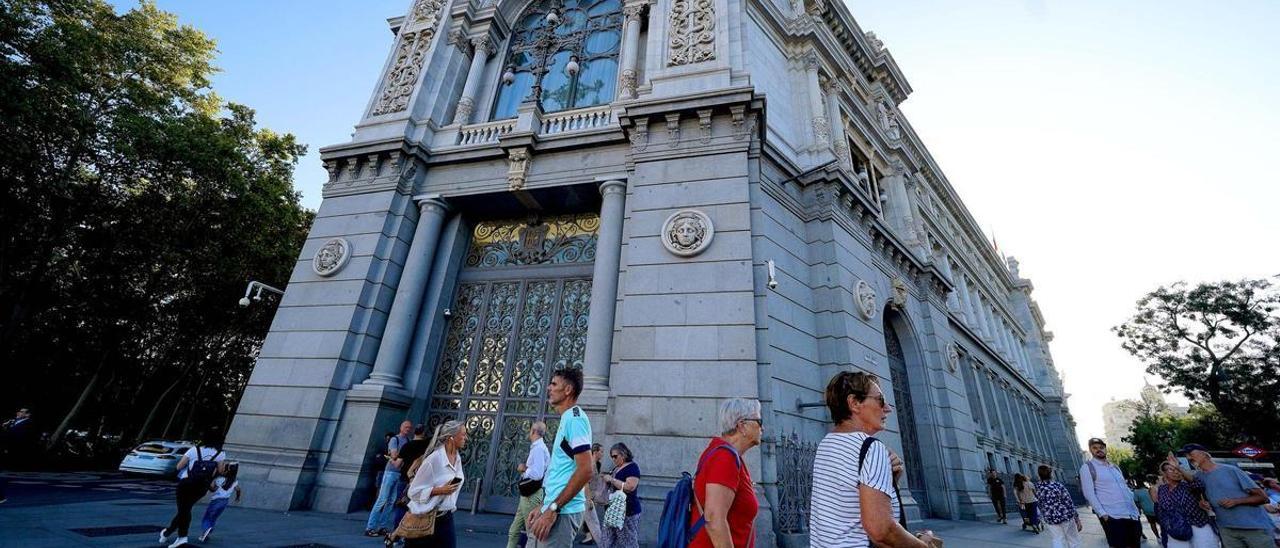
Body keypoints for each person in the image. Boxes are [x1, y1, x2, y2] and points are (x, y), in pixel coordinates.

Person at [809, 371, 941, 548]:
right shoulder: (871, 447)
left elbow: (846, 511)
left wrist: (889, 480)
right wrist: (922, 546)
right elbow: (881, 530)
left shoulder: (827, 444)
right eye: (880, 399)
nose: (888, 408)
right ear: (854, 403)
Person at [526, 368, 594, 548]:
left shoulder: (575, 419)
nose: (549, 387)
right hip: (551, 508)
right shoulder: (567, 419)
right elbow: (561, 472)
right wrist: (542, 505)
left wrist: (553, 510)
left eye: (554, 384)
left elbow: (586, 470)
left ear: (568, 390)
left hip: (562, 513)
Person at [690, 398, 764, 548]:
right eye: (759, 421)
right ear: (742, 426)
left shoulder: (728, 455)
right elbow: (714, 519)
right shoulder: (724, 457)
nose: (763, 428)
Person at [1172, 445, 1273, 548]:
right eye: (1186, 455)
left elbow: (1263, 497)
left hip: (1253, 527)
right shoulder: (1199, 476)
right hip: (1226, 529)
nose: (1188, 458)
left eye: (1191, 454)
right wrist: (1204, 503)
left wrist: (1236, 501)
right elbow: (1194, 483)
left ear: (1204, 454)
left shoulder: (1231, 470)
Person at [403, 420, 468, 548]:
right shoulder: (434, 459)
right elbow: (413, 492)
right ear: (451, 438)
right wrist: (440, 490)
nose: (466, 438)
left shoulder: (457, 458)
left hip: (446, 517)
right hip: (424, 519)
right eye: (463, 434)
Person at [160, 434, 227, 547]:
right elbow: (220, 471)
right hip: (202, 487)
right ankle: (167, 532)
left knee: (184, 510)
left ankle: (182, 537)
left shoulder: (193, 450)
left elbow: (179, 467)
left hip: (186, 483)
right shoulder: (220, 453)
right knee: (185, 510)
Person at [1080, 437, 1142, 548]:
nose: (1099, 450)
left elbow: (1124, 487)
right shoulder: (1087, 468)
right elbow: (1089, 493)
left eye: (1101, 447)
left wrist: (1135, 506)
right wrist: (1103, 514)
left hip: (1131, 515)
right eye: (1095, 448)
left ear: (1105, 449)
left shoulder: (1115, 467)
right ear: (1091, 450)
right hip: (1113, 517)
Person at [1154, 458, 1217, 548]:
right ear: (1164, 473)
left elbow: (1198, 484)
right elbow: (1161, 509)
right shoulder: (1162, 489)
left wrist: (1179, 467)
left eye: (1178, 469)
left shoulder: (1188, 485)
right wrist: (1167, 525)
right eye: (1172, 469)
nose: (1176, 472)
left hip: (1198, 524)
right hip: (1176, 528)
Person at [508, 421, 550, 548]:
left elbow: (537, 474)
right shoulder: (539, 448)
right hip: (528, 494)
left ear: (533, 431)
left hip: (532, 494)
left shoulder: (538, 449)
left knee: (531, 532)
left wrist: (524, 468)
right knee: (514, 530)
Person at [367, 420, 413, 537]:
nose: (408, 429)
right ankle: (370, 527)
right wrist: (400, 457)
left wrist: (400, 457)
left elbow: (400, 457)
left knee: (391, 501)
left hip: (400, 474)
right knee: (382, 499)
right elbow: (394, 455)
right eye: (406, 427)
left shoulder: (408, 441)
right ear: (401, 427)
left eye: (409, 428)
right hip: (390, 472)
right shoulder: (395, 439)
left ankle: (382, 526)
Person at [599, 442, 642, 548]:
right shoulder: (616, 468)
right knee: (607, 541)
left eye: (615, 456)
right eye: (611, 457)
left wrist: (612, 480)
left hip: (627, 512)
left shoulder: (632, 467)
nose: (613, 459)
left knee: (628, 542)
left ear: (623, 454)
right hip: (612, 512)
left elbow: (630, 487)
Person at [390, 424, 430, 537]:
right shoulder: (427, 446)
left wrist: (391, 460)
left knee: (401, 506)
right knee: (418, 508)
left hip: (404, 479)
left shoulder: (406, 446)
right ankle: (413, 533)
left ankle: (397, 534)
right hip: (421, 481)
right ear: (424, 433)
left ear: (414, 432)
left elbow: (397, 464)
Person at [1035, 465, 1083, 548]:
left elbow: (1039, 504)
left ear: (1039, 475)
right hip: (1065, 516)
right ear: (1051, 474)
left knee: (1057, 540)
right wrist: (1077, 518)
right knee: (1073, 540)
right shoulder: (1058, 486)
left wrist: (1043, 516)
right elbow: (1069, 502)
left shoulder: (1038, 488)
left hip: (1050, 519)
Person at [198, 461, 242, 542]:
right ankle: (207, 532)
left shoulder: (219, 479)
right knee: (214, 517)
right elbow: (238, 490)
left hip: (216, 500)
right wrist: (237, 498)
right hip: (224, 502)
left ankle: (206, 529)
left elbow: (212, 489)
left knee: (207, 516)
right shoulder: (234, 481)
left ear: (226, 470)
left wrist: (208, 483)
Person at [0, 407, 36, 503]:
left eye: (21, 412)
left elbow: (20, 437)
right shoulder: (13, 422)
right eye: (19, 411)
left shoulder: (28, 423)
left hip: (15, 449)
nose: (18, 413)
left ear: (27, 415)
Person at [580, 443, 607, 545]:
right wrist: (589, 498)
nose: (602, 454)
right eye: (601, 451)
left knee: (590, 518)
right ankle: (600, 542)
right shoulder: (590, 464)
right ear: (595, 452)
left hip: (592, 494)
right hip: (587, 495)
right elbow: (585, 482)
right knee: (593, 520)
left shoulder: (598, 464)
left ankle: (590, 537)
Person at [1133, 476, 1160, 540]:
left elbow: (1136, 502)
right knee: (1161, 523)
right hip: (1155, 508)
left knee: (1152, 524)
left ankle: (1158, 537)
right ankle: (1164, 534)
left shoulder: (1136, 492)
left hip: (1146, 510)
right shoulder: (1149, 489)